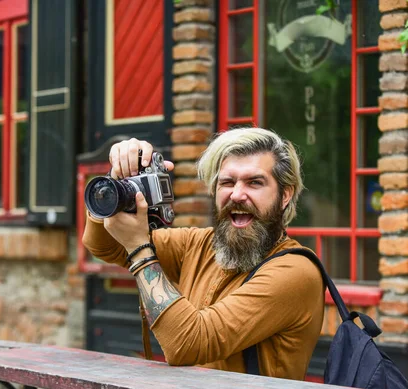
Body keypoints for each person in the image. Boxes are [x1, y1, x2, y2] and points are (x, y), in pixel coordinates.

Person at [82, 127, 324, 380]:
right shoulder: (200, 244)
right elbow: (104, 246)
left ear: (285, 195)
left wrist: (141, 250)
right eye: (227, 182)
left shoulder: (296, 272)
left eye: (254, 182)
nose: (237, 194)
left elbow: (188, 344)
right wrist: (116, 182)